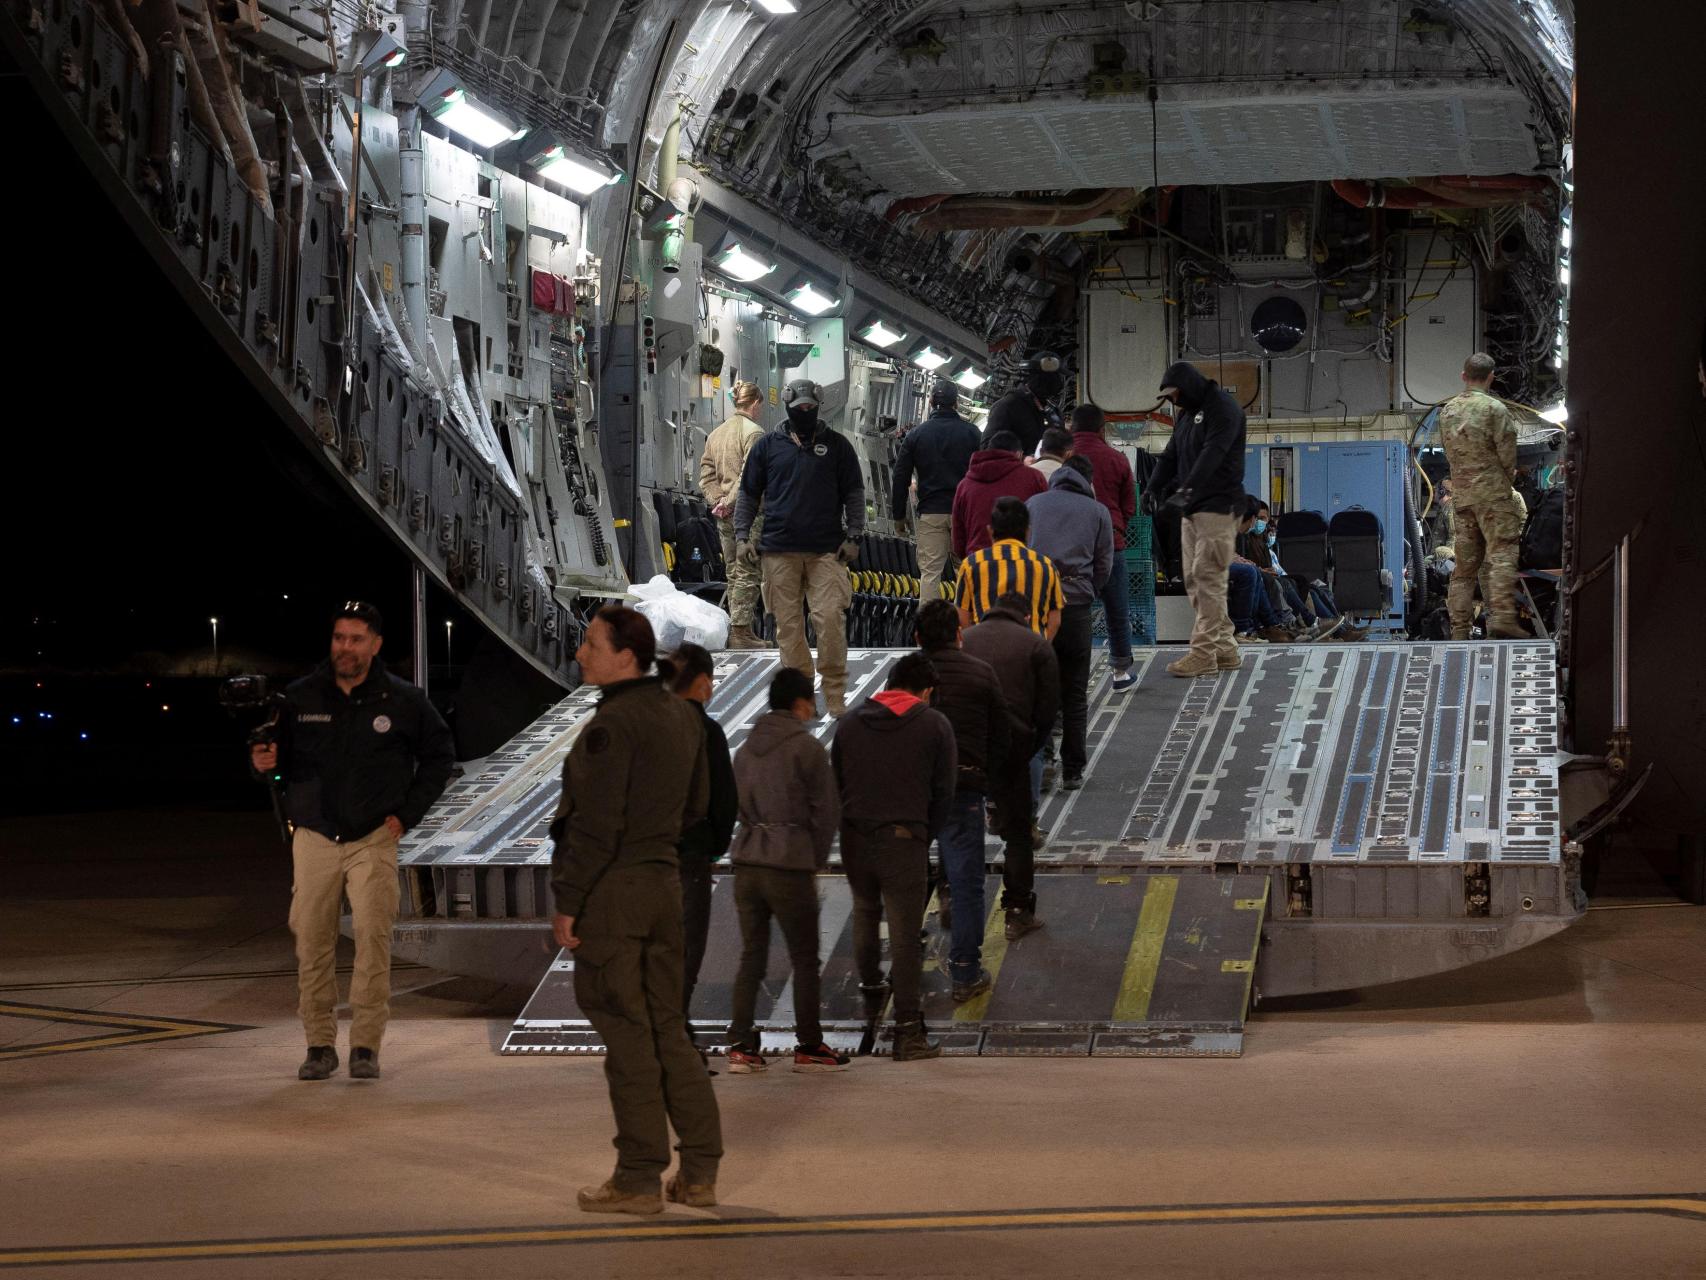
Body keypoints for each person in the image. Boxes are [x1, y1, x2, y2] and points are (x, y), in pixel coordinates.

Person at [550, 607, 722, 1214]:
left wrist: (569, 903)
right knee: (668, 1029)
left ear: (626, 655)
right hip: (665, 888)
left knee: (626, 1036)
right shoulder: (684, 718)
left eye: (591, 643)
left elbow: (594, 827)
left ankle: (637, 1178)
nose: (581, 654)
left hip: (614, 896)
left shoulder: (610, 727)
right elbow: (698, 806)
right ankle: (699, 1171)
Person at [249, 601, 454, 1083]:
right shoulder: (300, 699)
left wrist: (408, 815)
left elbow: (439, 755)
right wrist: (262, 764)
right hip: (315, 835)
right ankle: (319, 1045)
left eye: (356, 638)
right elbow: (276, 762)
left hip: (373, 837)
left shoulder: (403, 700)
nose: (345, 647)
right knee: (313, 942)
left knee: (372, 940)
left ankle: (365, 1045)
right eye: (339, 637)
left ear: (375, 644)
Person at [831, 651, 957, 1061]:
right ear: (925, 691)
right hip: (903, 839)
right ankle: (907, 1031)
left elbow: (837, 780)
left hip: (854, 837)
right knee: (905, 936)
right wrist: (923, 834)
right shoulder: (934, 725)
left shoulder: (849, 723)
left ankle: (870, 993)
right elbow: (944, 793)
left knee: (865, 912)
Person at [724, 667, 846, 1075]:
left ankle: (741, 1045)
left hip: (746, 861)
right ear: (799, 703)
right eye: (811, 699)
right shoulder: (806, 749)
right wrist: (811, 856)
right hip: (788, 862)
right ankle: (809, 1045)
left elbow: (734, 805)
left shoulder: (743, 749)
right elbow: (826, 812)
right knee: (805, 956)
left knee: (752, 955)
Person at [734, 379, 865, 714]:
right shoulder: (766, 448)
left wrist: (854, 536)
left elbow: (853, 493)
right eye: (799, 408)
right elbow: (748, 493)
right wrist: (741, 536)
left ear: (818, 406)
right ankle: (802, 694)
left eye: (810, 407)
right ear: (789, 407)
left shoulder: (838, 446)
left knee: (830, 620)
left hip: (827, 551)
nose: (805, 412)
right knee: (788, 626)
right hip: (779, 550)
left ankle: (835, 693)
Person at [914, 600, 1010, 1001]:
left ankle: (902, 956)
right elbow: (1001, 738)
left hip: (914, 794)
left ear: (917, 638)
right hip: (964, 790)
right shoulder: (981, 674)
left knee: (908, 878)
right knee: (968, 883)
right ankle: (966, 973)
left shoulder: (905, 675)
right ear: (959, 634)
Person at [962, 591, 1059, 941]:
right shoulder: (1036, 645)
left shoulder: (965, 639)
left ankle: (949, 895)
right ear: (1026, 612)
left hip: (965, 753)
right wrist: (1028, 748)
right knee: (1018, 837)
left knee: (957, 829)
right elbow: (1049, 712)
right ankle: (1017, 912)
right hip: (1013, 753)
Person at [1145, 361, 1249, 677]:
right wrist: (1152, 488)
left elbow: (1213, 454)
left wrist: (1186, 491)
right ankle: (1225, 649)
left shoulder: (1224, 409)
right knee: (1193, 578)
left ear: (1188, 387)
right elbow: (1172, 455)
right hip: (1192, 510)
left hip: (1217, 506)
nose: (1174, 401)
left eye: (1176, 395)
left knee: (1208, 577)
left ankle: (1203, 654)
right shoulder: (1186, 414)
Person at [657, 644, 736, 1029]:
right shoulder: (706, 731)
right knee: (686, 952)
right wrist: (713, 846)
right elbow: (724, 800)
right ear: (703, 682)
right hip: (688, 857)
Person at [1025, 456, 1113, 790]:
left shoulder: (1032, 504)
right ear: (1088, 481)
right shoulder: (1098, 512)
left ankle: (1043, 762)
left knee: (1039, 689)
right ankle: (1073, 770)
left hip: (1038, 610)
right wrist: (1090, 588)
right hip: (1076, 607)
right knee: (1074, 692)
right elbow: (1104, 563)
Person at [1438, 352, 1525, 639]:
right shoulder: (1495, 409)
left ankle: (1459, 631)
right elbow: (1507, 455)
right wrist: (1505, 476)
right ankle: (1500, 620)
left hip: (1462, 500)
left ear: (1463, 376)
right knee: (1501, 554)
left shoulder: (1447, 411)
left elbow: (1450, 452)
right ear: (1491, 377)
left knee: (1464, 569)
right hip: (1492, 496)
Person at [1068, 404, 1139, 691]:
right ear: (1102, 429)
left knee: (1074, 609)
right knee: (1116, 609)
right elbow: (1129, 505)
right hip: (1112, 543)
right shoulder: (1117, 459)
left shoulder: (1063, 458)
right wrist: (1117, 528)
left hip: (1073, 547)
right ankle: (1120, 673)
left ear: (1071, 427)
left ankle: (1073, 676)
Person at [892, 379, 980, 603]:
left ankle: (927, 636)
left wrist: (899, 516)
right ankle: (967, 629)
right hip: (964, 514)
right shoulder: (973, 434)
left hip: (931, 513)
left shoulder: (916, 435)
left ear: (930, 401)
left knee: (930, 574)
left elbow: (900, 477)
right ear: (956, 404)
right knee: (966, 572)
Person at [699, 382, 769, 648]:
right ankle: (740, 633)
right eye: (760, 405)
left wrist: (717, 501)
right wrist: (729, 502)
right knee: (748, 571)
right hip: (748, 514)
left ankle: (743, 628)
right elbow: (749, 476)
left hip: (723, 515)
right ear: (754, 403)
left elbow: (706, 474)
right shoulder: (755, 433)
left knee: (732, 571)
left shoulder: (716, 434)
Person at [954, 496, 1065, 637]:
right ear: (1027, 531)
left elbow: (963, 617)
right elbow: (1055, 621)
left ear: (990, 531)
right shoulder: (1045, 565)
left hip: (985, 652)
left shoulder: (971, 564)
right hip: (1031, 652)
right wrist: (1042, 646)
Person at [951, 429, 1048, 560]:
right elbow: (1044, 521)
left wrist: (969, 558)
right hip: (1023, 565)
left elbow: (958, 533)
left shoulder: (965, 485)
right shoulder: (1034, 478)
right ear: (1019, 454)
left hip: (978, 563)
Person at [983, 351, 1065, 456]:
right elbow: (987, 449)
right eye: (1053, 377)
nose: (1056, 382)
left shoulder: (1054, 412)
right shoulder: (1007, 406)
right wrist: (1022, 460)